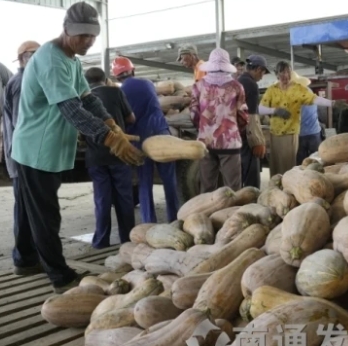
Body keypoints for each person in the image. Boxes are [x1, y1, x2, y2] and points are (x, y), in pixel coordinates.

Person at [11, 2, 146, 293]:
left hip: (42, 148)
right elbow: (71, 109)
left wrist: (111, 123)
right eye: (81, 36)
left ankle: (24, 260)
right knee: (45, 213)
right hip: (38, 149)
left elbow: (87, 98)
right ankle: (60, 276)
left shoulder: (71, 60)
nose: (87, 42)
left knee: (27, 207)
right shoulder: (50, 59)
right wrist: (108, 139)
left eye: (92, 37)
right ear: (66, 30)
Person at [112, 56, 181, 223]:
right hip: (162, 134)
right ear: (133, 70)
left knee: (145, 181)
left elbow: (125, 119)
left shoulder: (119, 92)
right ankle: (175, 218)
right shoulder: (148, 83)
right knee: (169, 180)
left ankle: (149, 221)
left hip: (141, 139)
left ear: (116, 77)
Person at [84, 67, 137, 249]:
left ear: (86, 82)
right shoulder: (116, 92)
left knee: (102, 200)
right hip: (119, 153)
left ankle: (101, 242)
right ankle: (128, 239)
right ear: (105, 79)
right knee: (124, 198)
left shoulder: (83, 97)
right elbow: (131, 119)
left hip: (96, 156)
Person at [260, 61, 343, 176]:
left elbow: (314, 100)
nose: (285, 75)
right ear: (277, 74)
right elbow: (261, 109)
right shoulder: (275, 90)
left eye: (288, 72)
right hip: (290, 133)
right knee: (282, 165)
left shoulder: (298, 91)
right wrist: (274, 110)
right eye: (282, 72)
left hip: (296, 134)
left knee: (295, 166)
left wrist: (332, 103)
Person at [3, 40, 40, 275]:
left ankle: (30, 257)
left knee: (32, 209)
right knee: (26, 210)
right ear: (25, 57)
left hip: (27, 155)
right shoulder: (21, 83)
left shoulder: (28, 81)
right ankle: (24, 260)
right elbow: (22, 124)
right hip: (25, 156)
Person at [190, 48, 248, 193]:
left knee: (207, 188)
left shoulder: (198, 86)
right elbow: (243, 115)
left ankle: (208, 215)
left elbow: (193, 114)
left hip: (206, 143)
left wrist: (203, 127)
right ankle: (232, 215)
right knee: (233, 189)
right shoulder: (237, 86)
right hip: (230, 143)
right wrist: (234, 129)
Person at [237, 55, 272, 189]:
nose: (262, 76)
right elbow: (251, 117)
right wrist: (257, 141)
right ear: (258, 69)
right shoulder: (251, 84)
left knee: (241, 172)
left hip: (237, 134)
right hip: (246, 136)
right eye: (263, 72)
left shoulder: (239, 81)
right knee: (252, 174)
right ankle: (252, 201)